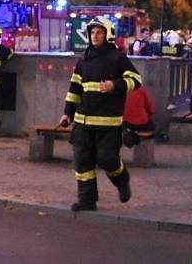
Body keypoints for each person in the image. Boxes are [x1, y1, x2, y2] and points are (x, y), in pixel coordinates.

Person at [59, 16, 142, 212]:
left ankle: (122, 181)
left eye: (99, 32)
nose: (95, 36)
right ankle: (87, 201)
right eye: (92, 32)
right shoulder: (84, 59)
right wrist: (67, 113)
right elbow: (74, 89)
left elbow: (136, 80)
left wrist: (115, 85)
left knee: (107, 159)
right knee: (82, 162)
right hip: (82, 122)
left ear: (108, 35)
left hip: (109, 123)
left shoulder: (117, 58)